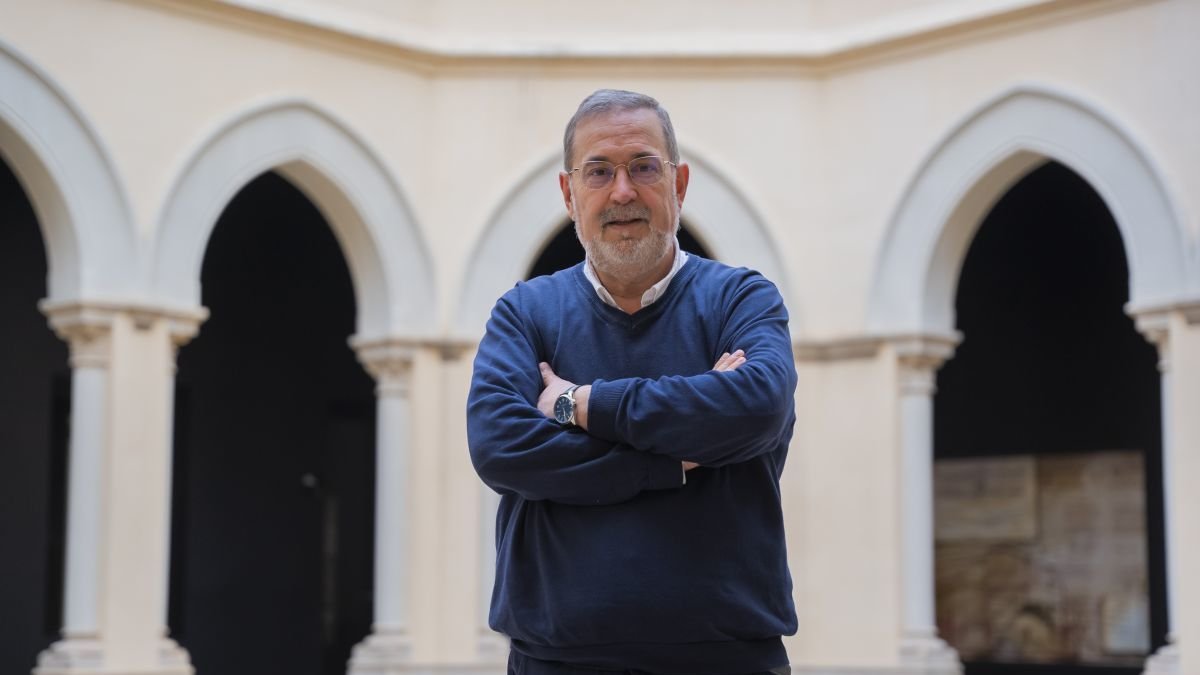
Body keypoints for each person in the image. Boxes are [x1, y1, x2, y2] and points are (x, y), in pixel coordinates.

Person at [467, 89, 798, 675]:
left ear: (680, 184)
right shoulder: (524, 313)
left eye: (644, 167)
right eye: (599, 172)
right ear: (570, 195)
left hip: (727, 658)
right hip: (556, 661)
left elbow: (758, 407)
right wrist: (670, 460)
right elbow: (501, 446)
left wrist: (579, 403)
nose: (622, 191)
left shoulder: (741, 299)